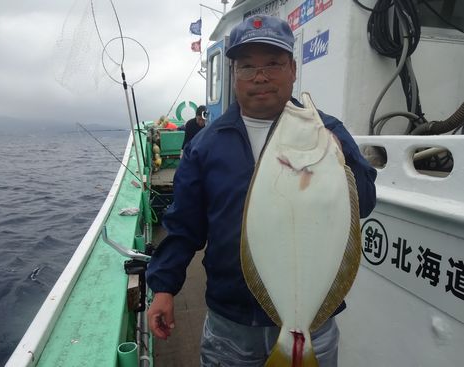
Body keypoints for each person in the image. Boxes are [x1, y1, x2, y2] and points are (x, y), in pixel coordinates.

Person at [146, 14, 377, 366]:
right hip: (232, 324)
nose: (260, 76)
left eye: (273, 63)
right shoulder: (206, 144)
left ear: (293, 69)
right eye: (246, 66)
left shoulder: (327, 131)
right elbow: (184, 225)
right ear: (233, 74)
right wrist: (163, 287)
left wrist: (340, 158)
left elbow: (364, 202)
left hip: (314, 324)